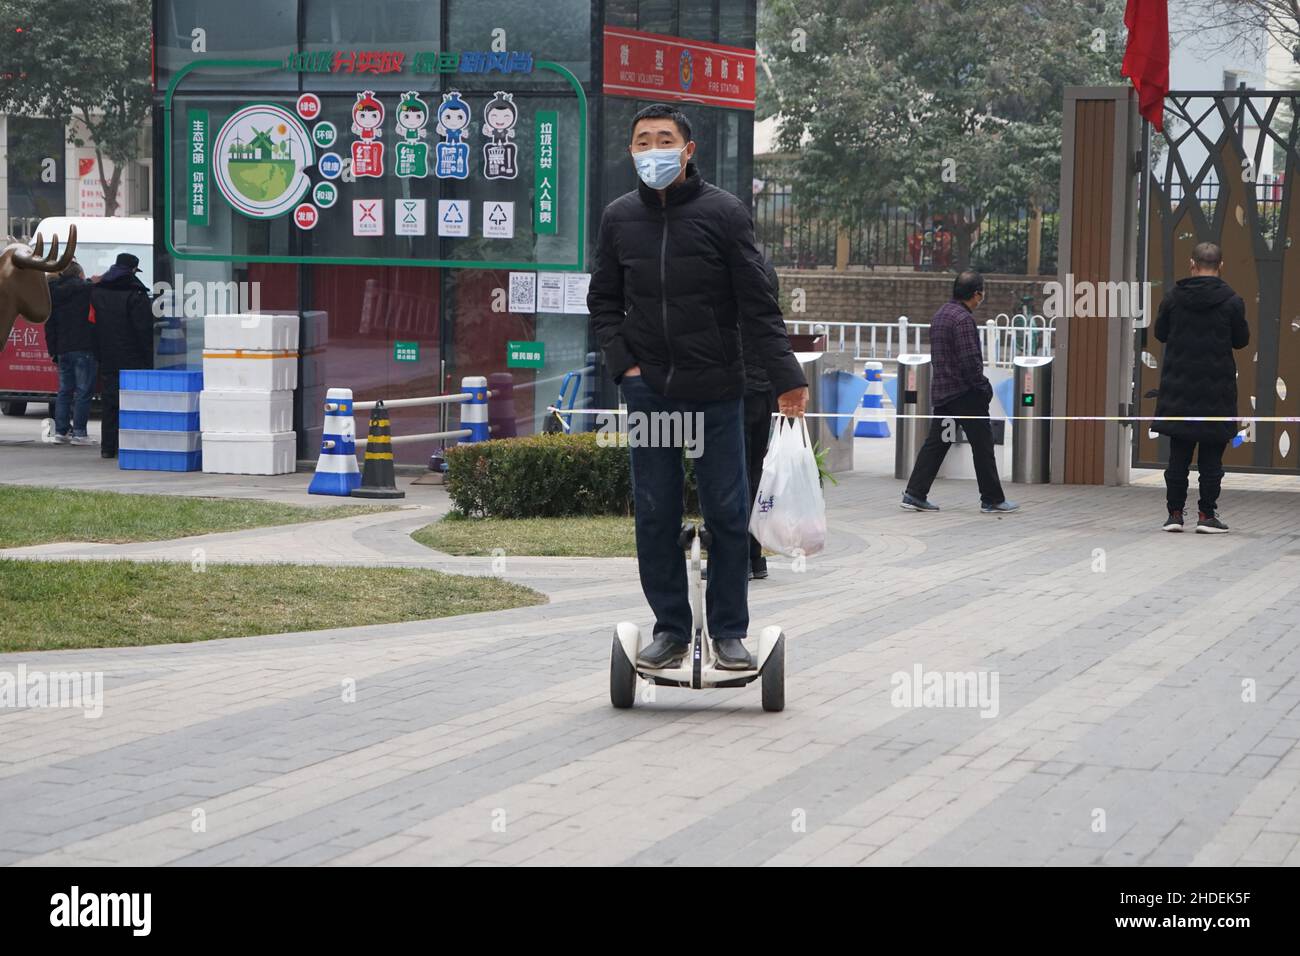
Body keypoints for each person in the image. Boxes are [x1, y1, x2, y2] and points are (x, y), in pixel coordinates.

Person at [588, 103, 809, 671]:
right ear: (631, 151)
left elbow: (758, 306)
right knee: (655, 513)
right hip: (650, 393)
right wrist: (626, 367)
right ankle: (669, 628)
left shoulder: (724, 213)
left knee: (728, 513)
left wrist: (787, 378)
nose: (652, 149)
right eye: (642, 141)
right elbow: (604, 303)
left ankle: (729, 632)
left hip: (716, 389)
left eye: (664, 139)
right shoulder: (618, 218)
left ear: (688, 151)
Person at [900, 270, 1017, 514]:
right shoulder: (963, 320)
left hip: (944, 393)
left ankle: (915, 492)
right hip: (966, 395)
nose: (981, 298)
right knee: (983, 445)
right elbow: (970, 361)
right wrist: (984, 388)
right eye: (981, 293)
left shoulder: (941, 315)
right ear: (976, 294)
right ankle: (992, 499)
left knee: (937, 443)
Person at [1152, 241, 1249, 533]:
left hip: (1178, 388)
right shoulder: (1232, 301)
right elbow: (1240, 340)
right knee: (1211, 458)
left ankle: (1174, 514)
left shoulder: (1173, 298)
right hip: (1216, 391)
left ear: (1191, 264)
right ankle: (1206, 515)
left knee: (1178, 455)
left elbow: (1160, 333)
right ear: (1221, 265)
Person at [91, 253, 154, 459]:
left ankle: (108, 447)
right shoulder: (136, 293)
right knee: (132, 402)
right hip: (132, 357)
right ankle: (131, 445)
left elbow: (91, 325)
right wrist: (148, 359)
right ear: (133, 270)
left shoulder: (98, 291)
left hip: (107, 354)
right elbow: (143, 329)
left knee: (109, 402)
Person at [743, 256, 781, 581]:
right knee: (754, 471)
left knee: (732, 475)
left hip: (734, 389)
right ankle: (755, 558)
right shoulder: (766, 269)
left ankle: (736, 559)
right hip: (763, 388)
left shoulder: (729, 267)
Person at [45, 260, 98, 445]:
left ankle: (61, 432)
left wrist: (53, 350)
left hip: (62, 349)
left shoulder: (53, 293)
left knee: (64, 391)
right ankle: (79, 433)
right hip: (83, 348)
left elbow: (49, 325)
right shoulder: (86, 290)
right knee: (83, 392)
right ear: (79, 274)